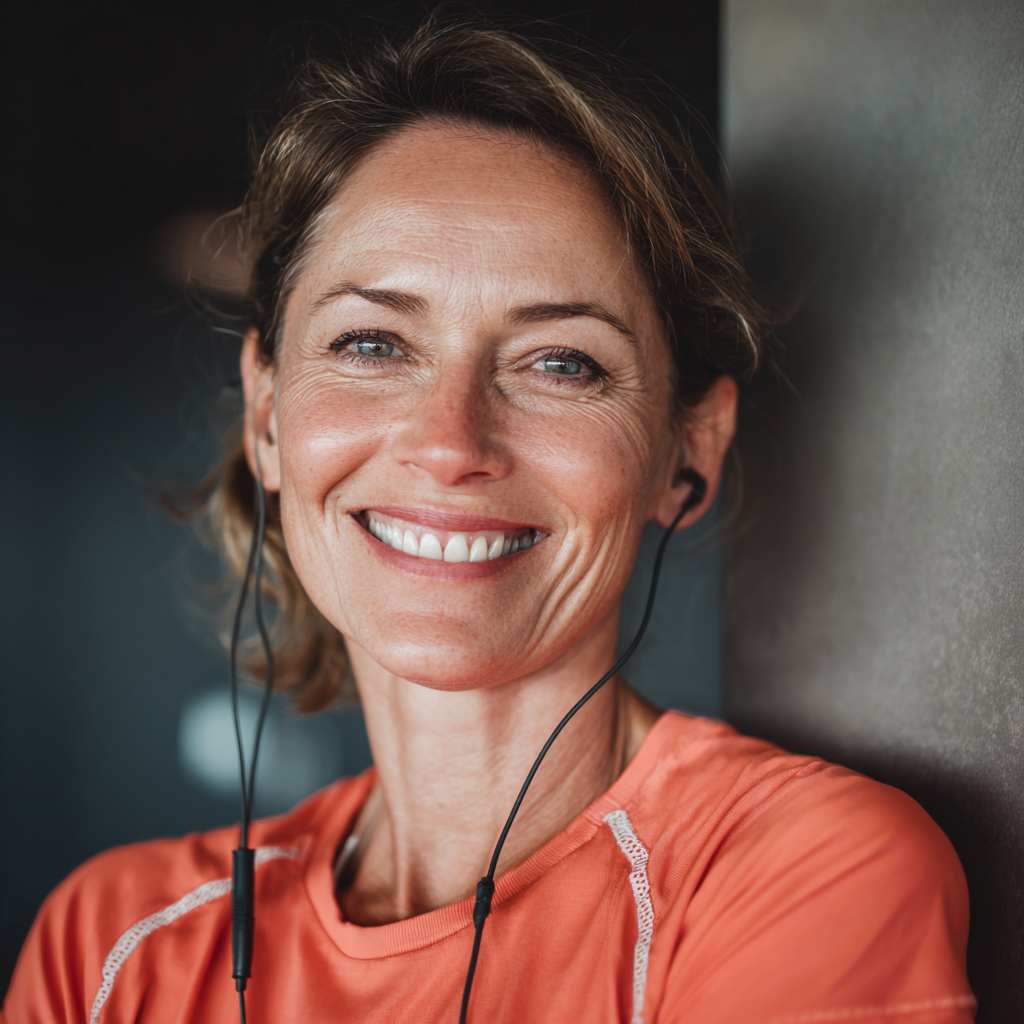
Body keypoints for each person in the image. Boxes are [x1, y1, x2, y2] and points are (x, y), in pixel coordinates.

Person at [3, 15, 974, 1024]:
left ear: (689, 447)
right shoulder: (110, 943)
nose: (451, 441)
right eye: (373, 344)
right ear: (267, 416)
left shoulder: (798, 874)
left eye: (562, 362)